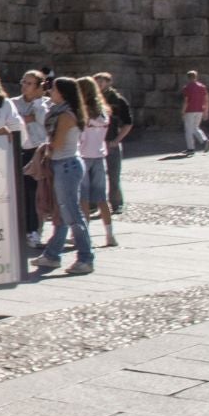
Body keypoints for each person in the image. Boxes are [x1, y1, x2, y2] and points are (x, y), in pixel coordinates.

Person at [34, 76, 96, 274]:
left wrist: (44, 150)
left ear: (62, 93)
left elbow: (58, 143)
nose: (50, 92)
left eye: (53, 89)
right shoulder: (62, 112)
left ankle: (86, 258)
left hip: (66, 164)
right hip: (65, 164)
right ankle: (52, 255)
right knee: (63, 212)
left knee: (72, 214)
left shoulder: (65, 115)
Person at [76, 75, 117, 249]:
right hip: (99, 156)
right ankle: (110, 235)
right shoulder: (103, 111)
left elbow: (81, 137)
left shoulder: (82, 112)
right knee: (101, 198)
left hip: (84, 155)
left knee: (83, 198)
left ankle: (86, 235)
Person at [12, 70, 51, 247]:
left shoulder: (46, 104)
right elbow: (13, 121)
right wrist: (28, 118)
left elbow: (45, 121)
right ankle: (22, 229)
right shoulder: (13, 103)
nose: (24, 86)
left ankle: (34, 231)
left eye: (29, 83)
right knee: (20, 193)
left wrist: (36, 106)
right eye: (23, 82)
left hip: (39, 150)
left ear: (39, 86)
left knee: (36, 194)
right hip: (18, 149)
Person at [93, 72, 134, 213]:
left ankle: (116, 203)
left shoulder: (117, 100)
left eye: (101, 81)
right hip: (94, 144)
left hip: (111, 141)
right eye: (96, 81)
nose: (99, 84)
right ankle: (93, 204)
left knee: (113, 175)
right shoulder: (91, 100)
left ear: (108, 83)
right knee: (94, 176)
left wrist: (117, 140)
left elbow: (128, 123)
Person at [181, 69, 209, 154]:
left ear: (188, 77)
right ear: (196, 77)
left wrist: (183, 111)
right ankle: (205, 140)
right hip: (199, 110)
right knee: (196, 128)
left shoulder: (187, 87)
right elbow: (207, 100)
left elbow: (186, 101)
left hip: (190, 110)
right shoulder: (202, 87)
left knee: (188, 130)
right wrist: (206, 111)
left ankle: (190, 148)